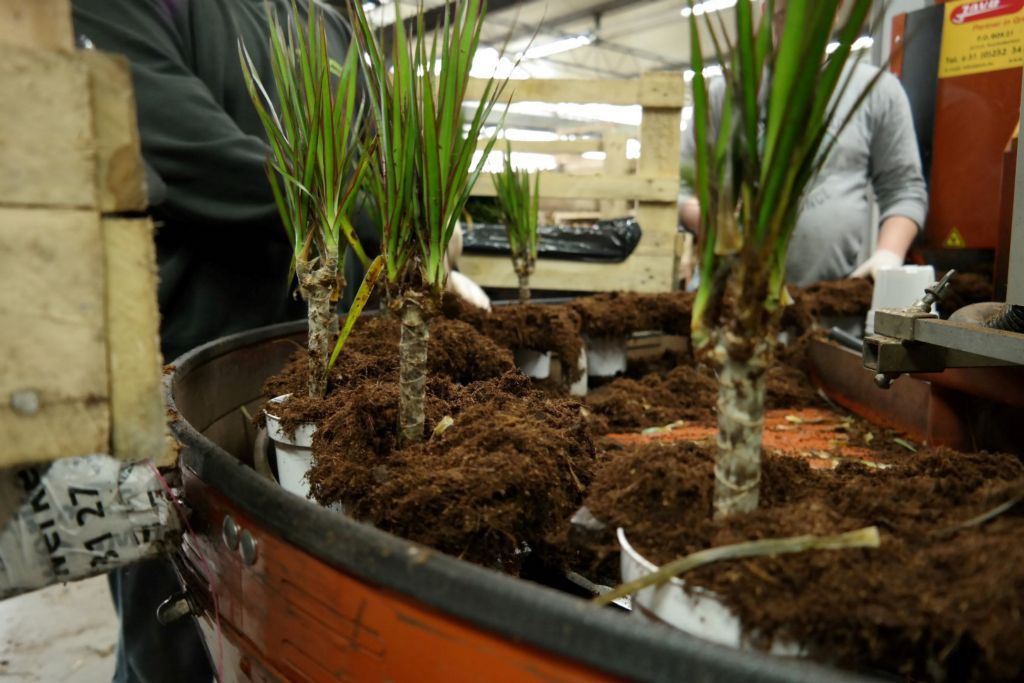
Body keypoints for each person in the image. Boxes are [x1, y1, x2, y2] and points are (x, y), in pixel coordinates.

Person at [71, 1, 368, 680]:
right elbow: (194, 155)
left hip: (318, 399)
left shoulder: (330, 23)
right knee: (175, 642)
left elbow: (371, 152)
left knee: (293, 635)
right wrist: (380, 211)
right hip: (176, 403)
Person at [678, 1, 929, 287]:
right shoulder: (728, 92)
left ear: (836, 12)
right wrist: (716, 223)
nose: (799, 30)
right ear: (766, 10)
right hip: (730, 301)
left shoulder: (877, 91)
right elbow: (682, 186)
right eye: (787, 15)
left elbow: (904, 188)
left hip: (827, 307)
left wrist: (888, 255)